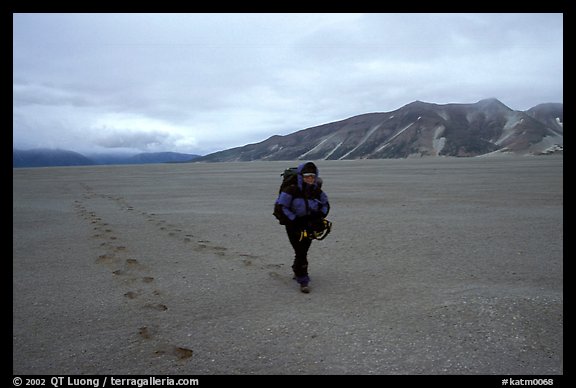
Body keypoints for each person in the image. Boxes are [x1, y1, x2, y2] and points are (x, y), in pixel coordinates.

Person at [275, 162, 330, 293]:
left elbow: (325, 204)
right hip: (294, 226)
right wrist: (295, 220)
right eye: (307, 176)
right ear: (301, 176)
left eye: (312, 176)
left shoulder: (316, 190)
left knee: (303, 249)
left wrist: (318, 217)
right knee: (301, 251)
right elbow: (281, 207)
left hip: (310, 225)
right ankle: (303, 280)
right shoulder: (292, 190)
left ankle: (297, 269)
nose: (310, 179)